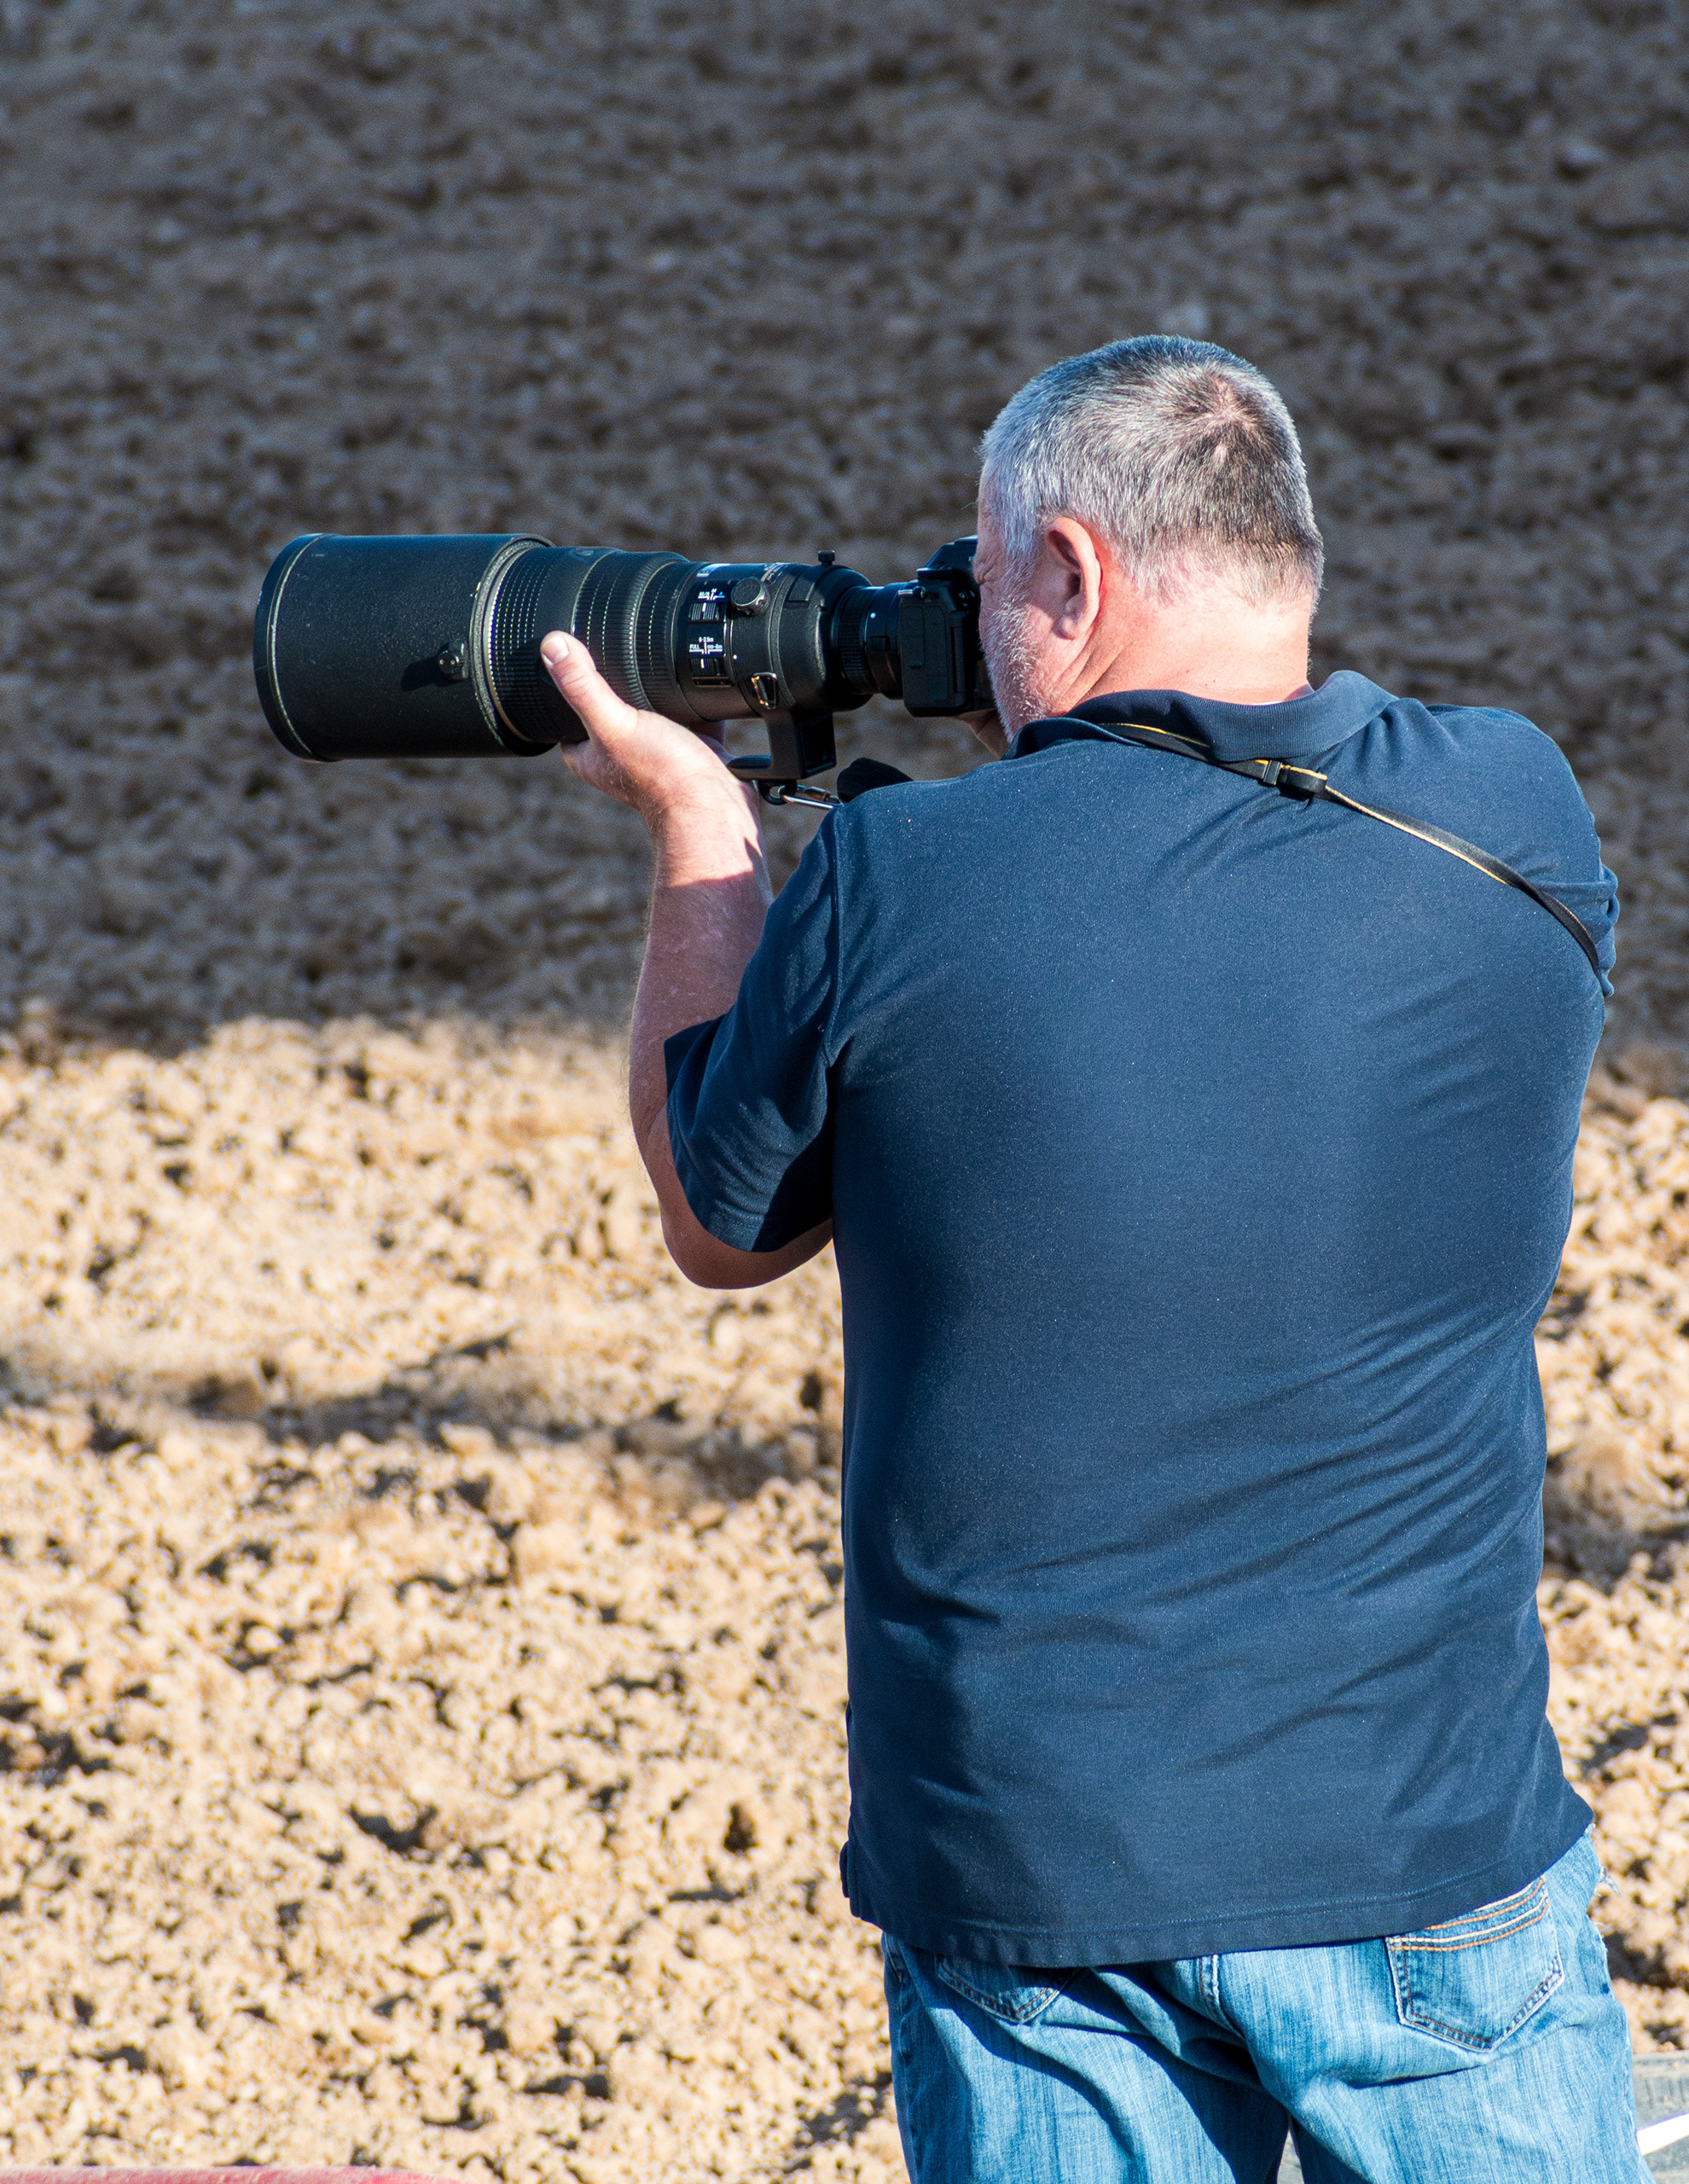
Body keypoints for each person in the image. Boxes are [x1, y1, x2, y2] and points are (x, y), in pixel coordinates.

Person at [539, 337, 1632, 2184]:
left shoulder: (902, 879)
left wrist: (708, 834)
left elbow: (720, 1222)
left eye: (980, 580)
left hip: (1040, 1869)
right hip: (1426, 1841)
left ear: (1071, 570)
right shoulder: (1517, 817)